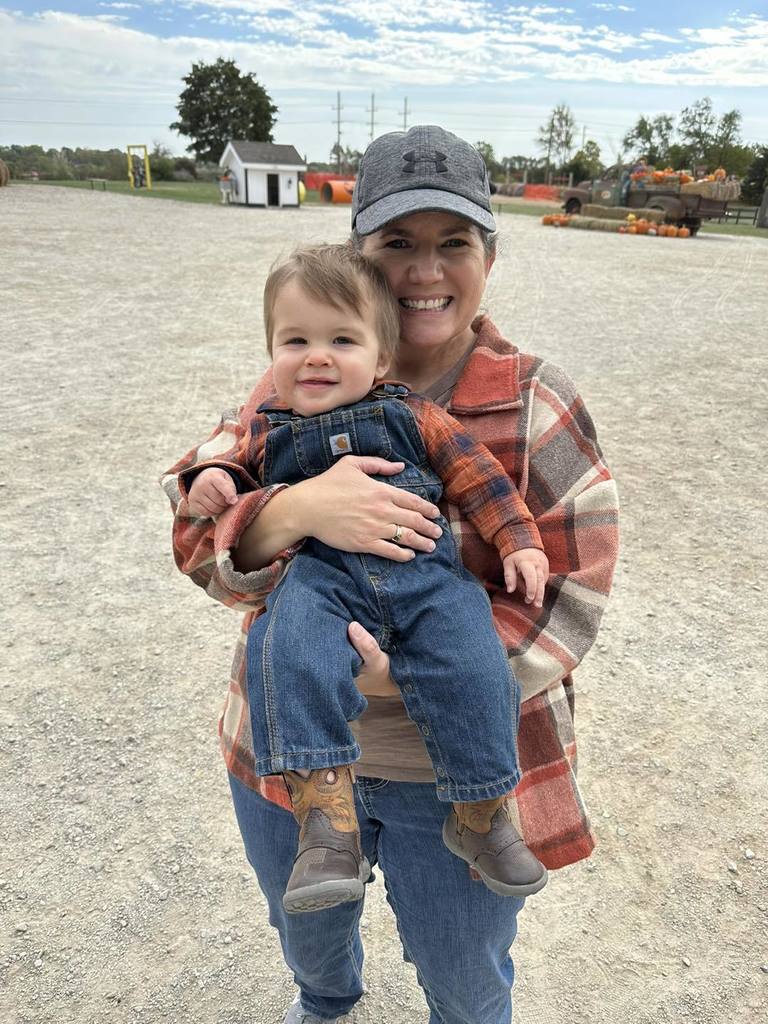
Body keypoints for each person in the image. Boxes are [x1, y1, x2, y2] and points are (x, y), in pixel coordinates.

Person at [162, 125, 619, 1024]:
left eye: (454, 242)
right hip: (282, 748)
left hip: (454, 763)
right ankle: (326, 1002)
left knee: (465, 970)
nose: (424, 270)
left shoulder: (535, 399)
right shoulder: (297, 377)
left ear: (491, 254)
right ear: (358, 256)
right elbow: (193, 535)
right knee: (311, 937)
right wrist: (289, 512)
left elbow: (571, 597)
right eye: (396, 244)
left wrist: (401, 669)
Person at [182, 243, 550, 915]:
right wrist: (216, 481)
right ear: (271, 352)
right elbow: (229, 474)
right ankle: (327, 823)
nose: (316, 356)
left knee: (475, 658)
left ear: (381, 359)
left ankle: (481, 813)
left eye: (341, 340)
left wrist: (518, 538)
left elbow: (478, 478)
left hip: (429, 580)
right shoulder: (267, 427)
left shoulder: (412, 414)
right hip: (323, 583)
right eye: (295, 340)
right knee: (286, 646)